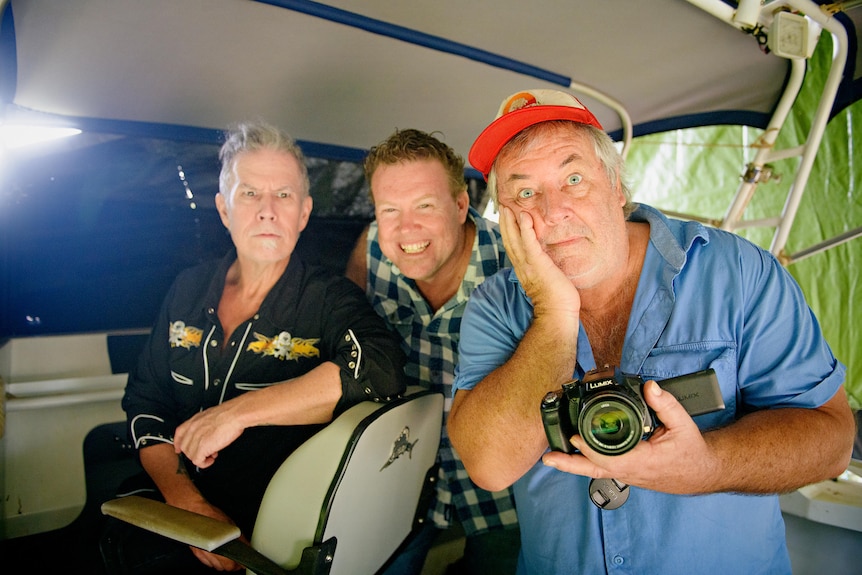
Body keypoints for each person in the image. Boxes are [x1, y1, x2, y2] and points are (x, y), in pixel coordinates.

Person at [447, 89, 856, 574]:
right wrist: (554, 313)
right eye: (525, 193)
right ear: (505, 216)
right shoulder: (496, 304)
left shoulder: (739, 272)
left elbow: (832, 439)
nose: (553, 211)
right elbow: (490, 466)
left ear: (616, 186)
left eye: (573, 178)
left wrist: (707, 466)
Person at [104, 120, 406, 573]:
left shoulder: (327, 298)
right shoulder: (187, 290)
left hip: (273, 530)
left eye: (283, 195)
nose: (268, 210)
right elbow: (145, 402)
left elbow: (380, 369)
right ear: (224, 209)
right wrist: (186, 502)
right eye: (249, 194)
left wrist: (238, 413)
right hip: (173, 503)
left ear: (303, 213)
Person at [345, 128, 520, 574]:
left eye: (424, 205)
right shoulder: (369, 253)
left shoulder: (517, 264)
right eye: (390, 210)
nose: (407, 229)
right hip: (398, 472)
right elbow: (344, 354)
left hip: (505, 489)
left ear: (461, 205)